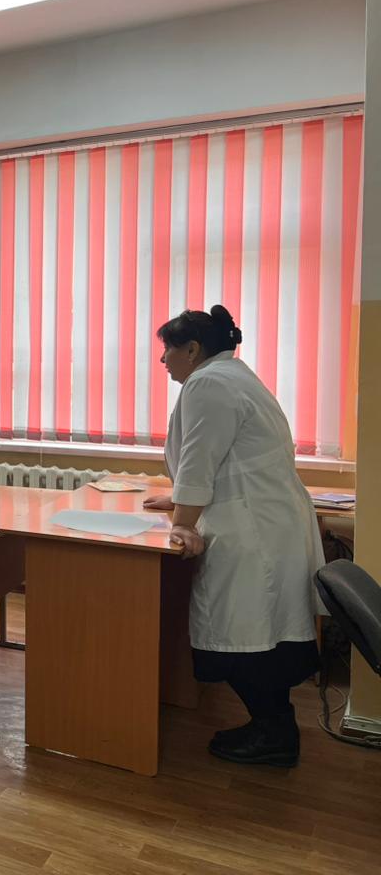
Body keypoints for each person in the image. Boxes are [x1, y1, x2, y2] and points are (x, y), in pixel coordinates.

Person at [143, 305, 322, 767]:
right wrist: (178, 500)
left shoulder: (209, 383)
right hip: (266, 521)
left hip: (252, 529)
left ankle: (273, 734)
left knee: (248, 635)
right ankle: (274, 727)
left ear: (192, 349)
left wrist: (183, 521)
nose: (162, 360)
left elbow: (201, 459)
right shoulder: (233, 376)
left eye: (167, 350)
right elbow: (227, 458)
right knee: (263, 633)